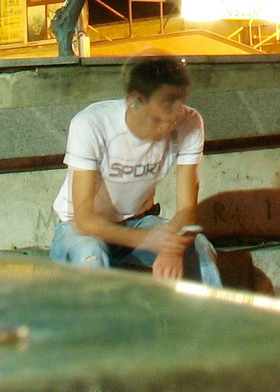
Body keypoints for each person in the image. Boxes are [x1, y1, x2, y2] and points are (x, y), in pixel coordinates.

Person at [49, 54, 222, 287]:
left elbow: (187, 208)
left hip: (138, 222)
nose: (165, 128)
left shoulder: (189, 122)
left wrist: (172, 249)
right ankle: (98, 324)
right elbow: (83, 220)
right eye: (157, 120)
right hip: (81, 229)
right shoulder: (92, 124)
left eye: (172, 119)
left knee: (199, 247)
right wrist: (148, 239)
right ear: (134, 100)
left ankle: (211, 320)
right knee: (90, 256)